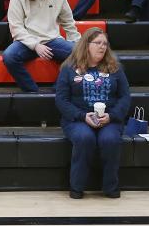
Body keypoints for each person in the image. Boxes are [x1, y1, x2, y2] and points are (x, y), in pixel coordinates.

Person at [55, 27, 131, 199]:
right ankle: (77, 187)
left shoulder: (115, 68)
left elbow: (125, 97)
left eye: (105, 44)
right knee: (84, 138)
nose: (102, 47)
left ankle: (110, 186)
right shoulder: (69, 68)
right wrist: (83, 116)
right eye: (98, 43)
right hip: (77, 119)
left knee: (110, 139)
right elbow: (61, 100)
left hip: (109, 118)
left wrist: (111, 116)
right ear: (86, 45)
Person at [3, 0, 80, 92]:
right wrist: (35, 45)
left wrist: (76, 43)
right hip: (26, 41)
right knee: (9, 56)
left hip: (52, 39)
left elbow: (68, 22)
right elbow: (16, 28)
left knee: (80, 54)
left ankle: (57, 91)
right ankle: (32, 92)